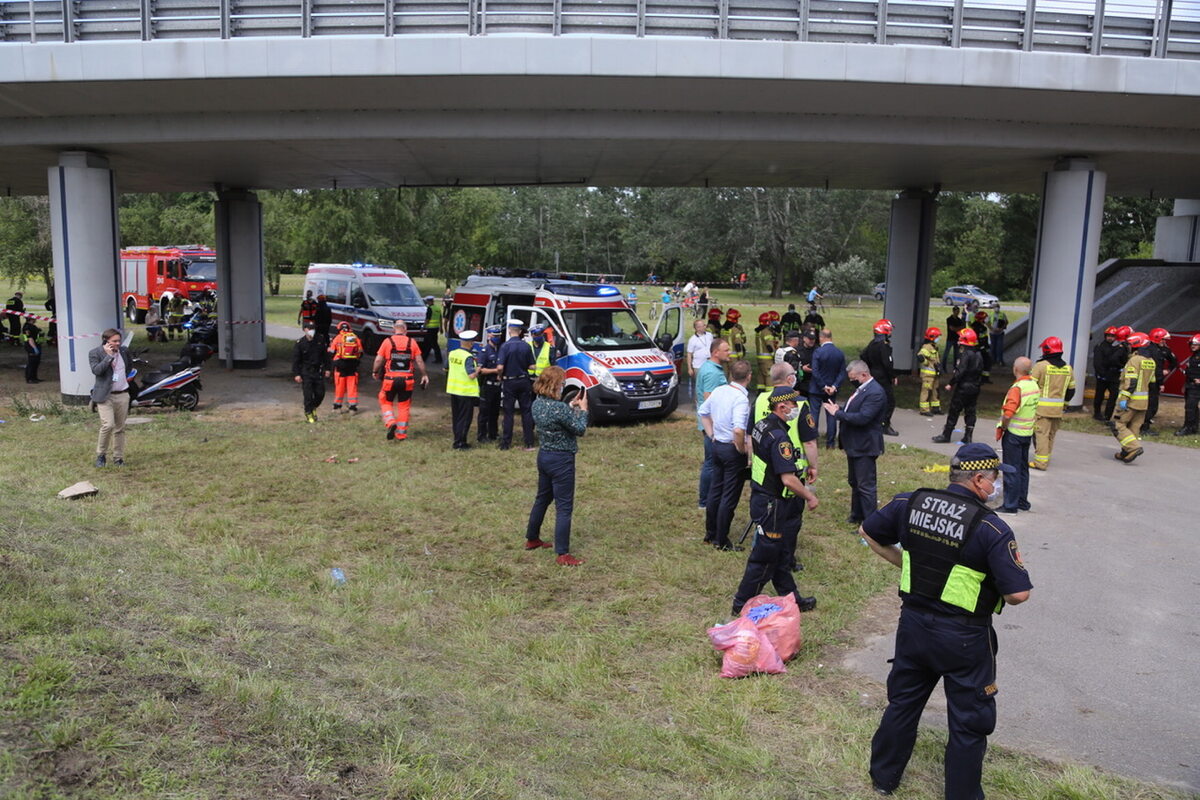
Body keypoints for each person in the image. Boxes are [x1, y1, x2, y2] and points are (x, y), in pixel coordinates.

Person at [861, 443, 1031, 800]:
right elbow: (1018, 594)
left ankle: (883, 778)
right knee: (969, 723)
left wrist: (907, 564)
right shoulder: (991, 528)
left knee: (904, 702)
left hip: (914, 627)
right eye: (995, 479)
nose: (996, 486)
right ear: (980, 479)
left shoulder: (909, 503)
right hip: (965, 639)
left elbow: (869, 532)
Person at [732, 385, 820, 615]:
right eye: (792, 404)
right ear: (782, 406)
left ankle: (794, 599)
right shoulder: (780, 437)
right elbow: (788, 479)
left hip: (762, 497)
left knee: (779, 555)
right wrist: (810, 496)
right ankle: (741, 605)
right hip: (772, 504)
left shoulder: (763, 425)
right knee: (763, 560)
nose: (795, 408)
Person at [525, 366, 589, 566]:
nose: (563, 387)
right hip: (562, 460)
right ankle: (563, 554)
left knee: (542, 499)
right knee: (564, 507)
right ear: (555, 385)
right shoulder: (558, 408)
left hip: (544, 456)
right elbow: (579, 429)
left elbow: (557, 416)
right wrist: (583, 409)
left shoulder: (537, 404)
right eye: (561, 384)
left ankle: (532, 538)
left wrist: (571, 405)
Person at [699, 358, 753, 550]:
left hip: (717, 446)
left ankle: (710, 533)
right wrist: (741, 449)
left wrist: (712, 434)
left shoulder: (719, 391)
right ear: (749, 377)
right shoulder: (741, 399)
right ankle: (721, 540)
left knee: (715, 490)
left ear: (730, 374)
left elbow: (703, 412)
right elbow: (739, 430)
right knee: (729, 496)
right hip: (731, 449)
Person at [824, 359, 886, 526]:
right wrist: (841, 410)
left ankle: (870, 523)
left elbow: (863, 418)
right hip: (855, 444)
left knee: (865, 486)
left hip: (865, 445)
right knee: (855, 482)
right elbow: (853, 410)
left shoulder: (875, 392)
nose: (851, 381)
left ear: (864, 375)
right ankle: (856, 515)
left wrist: (837, 414)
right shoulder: (862, 389)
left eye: (853, 378)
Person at [994, 357, 1039, 515]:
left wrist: (1004, 426)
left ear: (1015, 369)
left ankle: (1010, 505)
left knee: (1011, 469)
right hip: (1027, 433)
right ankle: (1022, 501)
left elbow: (1008, 413)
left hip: (1013, 433)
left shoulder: (1017, 388)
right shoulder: (1033, 384)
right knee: (1022, 469)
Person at [372, 320, 429, 441]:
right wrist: (424, 375)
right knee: (404, 406)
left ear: (394, 329)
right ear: (405, 329)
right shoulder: (412, 342)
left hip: (390, 379)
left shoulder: (387, 342)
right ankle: (401, 434)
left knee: (385, 401)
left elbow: (378, 361)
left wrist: (375, 371)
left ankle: (391, 422)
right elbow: (419, 361)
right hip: (407, 380)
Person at [89, 329, 135, 467]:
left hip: (122, 394)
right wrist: (108, 357)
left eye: (119, 341)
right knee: (108, 425)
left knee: (120, 428)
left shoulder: (124, 351)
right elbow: (96, 371)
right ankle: (101, 455)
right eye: (114, 341)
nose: (117, 344)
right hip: (105, 396)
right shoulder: (95, 353)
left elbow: (129, 367)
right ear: (106, 341)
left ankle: (118, 458)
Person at [1029, 336, 1075, 471]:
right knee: (1051, 435)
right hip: (1058, 410)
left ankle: (1040, 463)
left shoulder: (1040, 366)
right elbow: (1071, 390)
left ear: (1046, 350)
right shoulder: (1068, 368)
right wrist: (1065, 403)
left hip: (1042, 409)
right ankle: (1045, 458)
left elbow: (1031, 386)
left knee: (1041, 434)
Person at [696, 338, 732, 509]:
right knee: (711, 463)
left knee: (712, 462)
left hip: (710, 424)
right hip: (712, 425)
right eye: (726, 350)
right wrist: (715, 427)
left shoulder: (710, 368)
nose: (729, 352)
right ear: (715, 352)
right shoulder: (712, 373)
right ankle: (704, 501)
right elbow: (708, 400)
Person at [1109, 331, 1156, 463]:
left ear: (1136, 344)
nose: (1128, 347)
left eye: (1129, 344)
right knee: (1134, 427)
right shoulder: (1151, 361)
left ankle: (1133, 447)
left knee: (1117, 424)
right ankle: (1126, 452)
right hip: (1143, 402)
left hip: (1130, 400)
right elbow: (1152, 382)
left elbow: (1131, 382)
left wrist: (1124, 399)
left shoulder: (1134, 360)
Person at [933, 328, 984, 445]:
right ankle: (968, 436)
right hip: (975, 387)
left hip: (963, 388)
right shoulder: (978, 354)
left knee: (954, 410)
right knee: (971, 411)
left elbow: (960, 372)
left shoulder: (965, 355)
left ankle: (946, 435)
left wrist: (951, 383)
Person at [496, 319, 536, 451]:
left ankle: (506, 443)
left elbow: (500, 366)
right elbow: (533, 366)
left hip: (510, 381)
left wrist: (500, 375)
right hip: (524, 381)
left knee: (508, 413)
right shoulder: (526, 346)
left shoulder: (505, 346)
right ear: (520, 332)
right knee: (526, 412)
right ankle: (529, 442)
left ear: (509, 330)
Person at [861, 319, 899, 436]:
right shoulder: (884, 346)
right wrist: (893, 376)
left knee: (874, 400)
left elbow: (863, 356)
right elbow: (887, 363)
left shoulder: (872, 344)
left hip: (873, 375)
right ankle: (885, 425)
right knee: (890, 401)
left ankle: (872, 422)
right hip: (883, 377)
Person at [810, 328, 846, 448]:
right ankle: (830, 443)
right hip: (832, 390)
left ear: (821, 338)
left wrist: (823, 386)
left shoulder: (818, 352)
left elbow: (815, 371)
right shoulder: (839, 353)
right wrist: (834, 386)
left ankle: (813, 440)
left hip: (817, 388)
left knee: (814, 414)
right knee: (831, 415)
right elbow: (842, 372)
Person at [293, 320, 332, 423]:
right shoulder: (300, 343)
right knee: (308, 395)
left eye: (313, 329)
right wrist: (297, 374)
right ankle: (308, 413)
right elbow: (296, 360)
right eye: (309, 329)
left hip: (318, 371)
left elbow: (326, 356)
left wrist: (328, 369)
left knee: (320, 393)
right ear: (304, 330)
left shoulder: (320, 340)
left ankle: (313, 407)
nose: (311, 331)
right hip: (306, 372)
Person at [447, 331, 480, 449]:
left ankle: (457, 440)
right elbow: (471, 375)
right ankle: (460, 443)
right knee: (465, 418)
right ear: (470, 343)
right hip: (465, 392)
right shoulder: (468, 357)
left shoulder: (452, 353)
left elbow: (446, 368)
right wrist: (478, 369)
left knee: (456, 417)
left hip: (453, 390)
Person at [1141, 328, 1177, 436]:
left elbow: (1174, 361)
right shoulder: (1149, 350)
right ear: (1156, 338)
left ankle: (1143, 425)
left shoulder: (1163, 349)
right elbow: (1156, 370)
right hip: (1148, 382)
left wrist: (1168, 370)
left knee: (1151, 405)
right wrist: (1161, 382)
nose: (1164, 342)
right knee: (1150, 406)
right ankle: (1144, 428)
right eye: (1162, 339)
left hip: (1154, 381)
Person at [476, 325, 504, 443]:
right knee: (484, 412)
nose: (497, 338)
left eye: (498, 336)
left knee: (495, 412)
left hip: (497, 386)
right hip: (487, 385)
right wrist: (495, 371)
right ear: (488, 336)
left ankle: (493, 433)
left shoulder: (500, 350)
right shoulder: (484, 351)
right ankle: (482, 435)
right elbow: (480, 370)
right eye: (494, 336)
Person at [327, 321, 363, 413]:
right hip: (352, 365)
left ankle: (337, 406)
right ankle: (352, 407)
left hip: (340, 365)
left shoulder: (338, 338)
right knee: (352, 385)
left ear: (339, 329)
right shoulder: (355, 338)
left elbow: (331, 351)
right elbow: (360, 352)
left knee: (340, 385)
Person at [1092, 326, 1123, 422]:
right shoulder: (1100, 346)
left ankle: (1107, 415)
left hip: (1114, 375)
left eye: (1112, 336)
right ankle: (1097, 413)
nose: (1110, 338)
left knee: (1114, 395)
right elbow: (1097, 362)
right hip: (1103, 375)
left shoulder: (1119, 347)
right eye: (1108, 336)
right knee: (1099, 395)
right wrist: (1101, 374)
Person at [1175, 333, 1200, 437]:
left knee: (1190, 407)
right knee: (1192, 407)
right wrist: (1186, 385)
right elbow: (1190, 372)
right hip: (1191, 386)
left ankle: (1188, 428)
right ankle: (1193, 427)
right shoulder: (1194, 356)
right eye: (1191, 344)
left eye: (1195, 344)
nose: (1192, 346)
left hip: (1196, 387)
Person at [916, 327, 942, 416]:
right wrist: (927, 363)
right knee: (926, 391)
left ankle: (936, 408)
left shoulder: (933, 346)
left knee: (935, 391)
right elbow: (920, 356)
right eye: (937, 336)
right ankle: (924, 410)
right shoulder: (927, 347)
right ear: (932, 337)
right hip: (928, 375)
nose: (939, 338)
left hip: (935, 374)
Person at [685, 318, 713, 399]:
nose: (704, 327)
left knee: (709, 384)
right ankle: (699, 402)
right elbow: (689, 354)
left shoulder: (709, 335)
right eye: (701, 326)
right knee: (700, 386)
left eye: (704, 325)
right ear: (697, 328)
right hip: (698, 366)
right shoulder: (692, 339)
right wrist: (690, 368)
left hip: (709, 364)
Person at [754, 312, 779, 392]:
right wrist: (774, 355)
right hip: (767, 359)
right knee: (769, 376)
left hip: (760, 358)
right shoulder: (766, 331)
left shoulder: (758, 331)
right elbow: (769, 345)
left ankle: (760, 392)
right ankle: (769, 393)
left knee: (761, 376)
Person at [970, 310, 992, 383]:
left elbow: (984, 338)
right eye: (985, 318)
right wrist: (980, 348)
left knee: (987, 362)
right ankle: (977, 379)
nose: (986, 319)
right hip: (978, 349)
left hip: (984, 347)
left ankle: (985, 378)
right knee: (978, 364)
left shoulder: (982, 327)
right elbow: (976, 339)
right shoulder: (976, 327)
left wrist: (986, 346)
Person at [423, 295, 443, 364]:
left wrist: (423, 327)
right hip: (436, 328)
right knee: (429, 343)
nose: (427, 302)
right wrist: (441, 328)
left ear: (429, 301)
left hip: (430, 328)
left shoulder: (430, 308)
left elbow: (427, 319)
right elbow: (440, 318)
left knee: (432, 344)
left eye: (427, 301)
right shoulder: (437, 308)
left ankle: (438, 359)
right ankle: (424, 358)